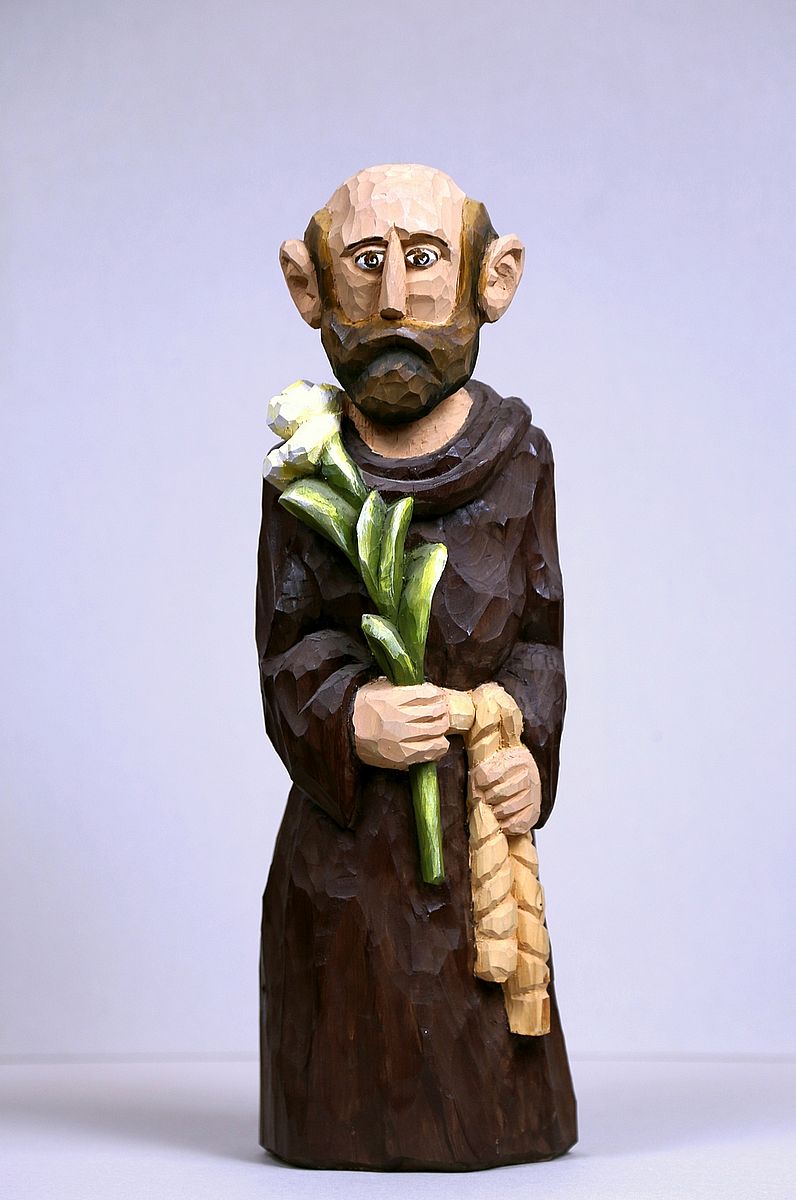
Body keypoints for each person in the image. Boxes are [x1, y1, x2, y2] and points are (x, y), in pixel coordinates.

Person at [256, 164, 577, 1170]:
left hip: (478, 836)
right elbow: (285, 650)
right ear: (309, 288)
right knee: (354, 1038)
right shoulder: (304, 471)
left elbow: (538, 640)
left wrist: (526, 745)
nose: (394, 297)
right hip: (347, 864)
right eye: (366, 261)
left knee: (482, 1058)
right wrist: (350, 715)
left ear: (494, 277)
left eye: (425, 258)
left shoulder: (520, 461)